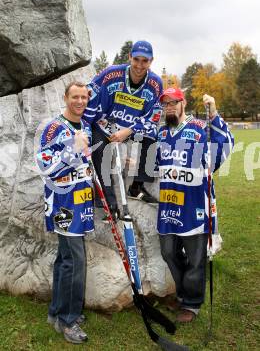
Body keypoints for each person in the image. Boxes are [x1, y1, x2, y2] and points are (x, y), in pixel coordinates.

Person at [156, 87, 234, 323]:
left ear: (183, 103)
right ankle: (182, 294)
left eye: (173, 103)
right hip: (169, 204)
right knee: (168, 252)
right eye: (166, 104)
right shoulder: (162, 133)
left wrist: (214, 115)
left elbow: (226, 142)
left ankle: (192, 303)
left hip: (195, 205)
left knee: (195, 258)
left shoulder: (199, 128)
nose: (169, 107)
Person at [37, 82, 93, 344]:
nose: (80, 101)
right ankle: (68, 321)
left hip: (81, 202)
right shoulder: (53, 128)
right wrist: (73, 147)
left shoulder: (86, 126)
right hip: (63, 204)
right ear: (66, 98)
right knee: (75, 262)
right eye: (75, 97)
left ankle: (56, 311)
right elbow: (45, 167)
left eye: (83, 97)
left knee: (65, 259)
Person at [84, 40, 163, 219]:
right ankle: (107, 198)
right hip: (104, 126)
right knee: (98, 147)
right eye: (136, 59)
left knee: (152, 137)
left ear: (151, 61)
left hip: (130, 129)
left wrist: (128, 131)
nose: (139, 65)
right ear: (129, 57)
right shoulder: (111, 73)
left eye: (145, 61)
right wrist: (85, 128)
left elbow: (154, 116)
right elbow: (90, 94)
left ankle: (137, 186)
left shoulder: (155, 83)